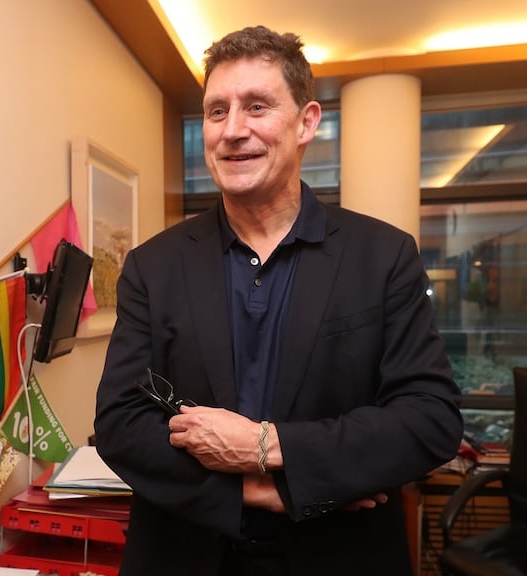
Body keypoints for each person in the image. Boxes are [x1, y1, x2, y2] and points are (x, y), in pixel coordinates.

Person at [94, 25, 463, 576]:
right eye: (217, 112)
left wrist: (267, 446)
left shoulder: (382, 256)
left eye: (257, 107)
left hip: (340, 557)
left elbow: (429, 419)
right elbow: (121, 423)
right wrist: (262, 491)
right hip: (185, 554)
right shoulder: (155, 265)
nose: (233, 130)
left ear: (306, 122)